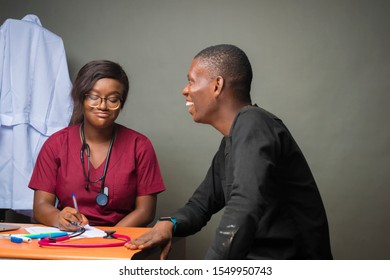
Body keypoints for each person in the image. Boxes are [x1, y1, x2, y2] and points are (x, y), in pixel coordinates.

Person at [125, 44, 333, 260]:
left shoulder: (253, 123)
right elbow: (199, 205)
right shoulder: (233, 140)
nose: (185, 90)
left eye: (191, 80)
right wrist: (169, 224)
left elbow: (244, 206)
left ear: (217, 86)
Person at [28, 60, 166, 231]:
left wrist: (108, 236)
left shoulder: (140, 146)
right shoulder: (56, 144)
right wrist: (58, 218)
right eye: (94, 97)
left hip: (120, 240)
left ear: (121, 103)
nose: (102, 106)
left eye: (113, 99)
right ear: (82, 97)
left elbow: (145, 211)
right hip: (69, 238)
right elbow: (41, 206)